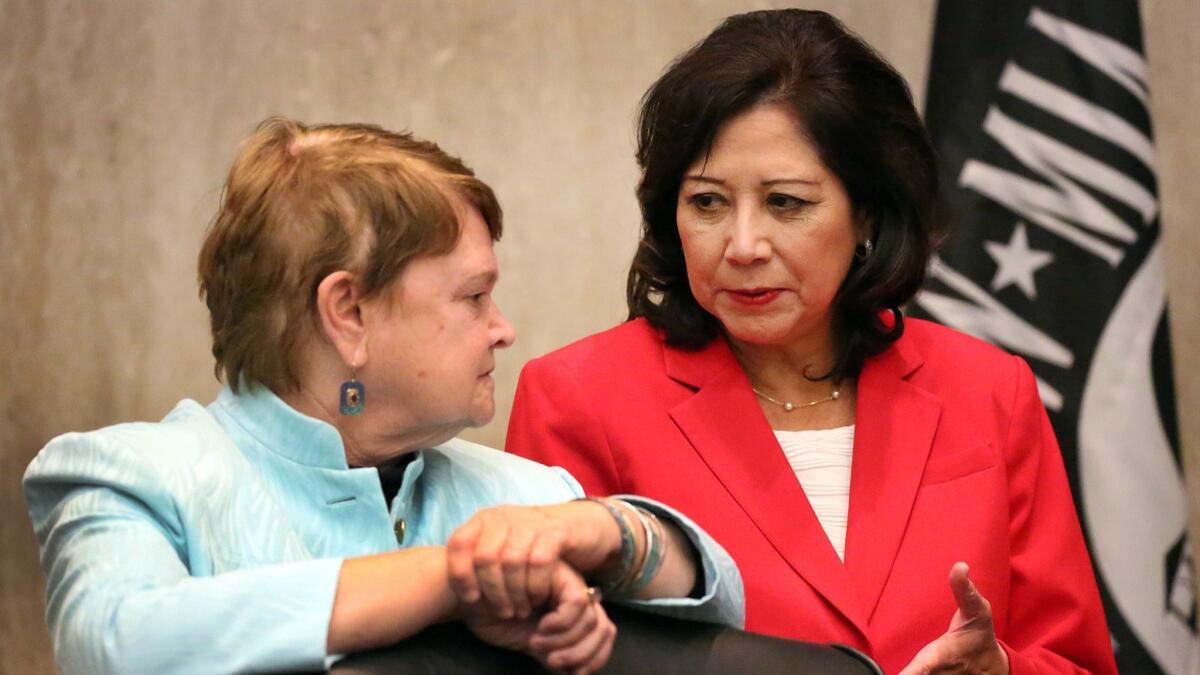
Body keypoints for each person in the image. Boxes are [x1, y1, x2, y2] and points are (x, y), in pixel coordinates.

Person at [505, 9, 1116, 675]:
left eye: (786, 203)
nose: (741, 246)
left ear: (868, 217)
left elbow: (1076, 660)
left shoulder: (989, 387)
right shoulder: (577, 397)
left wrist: (1000, 669)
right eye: (707, 203)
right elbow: (540, 660)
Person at [23, 118, 742, 675]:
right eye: (473, 296)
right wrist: (450, 581)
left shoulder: (523, 493)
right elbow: (114, 644)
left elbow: (727, 608)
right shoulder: (129, 475)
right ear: (349, 314)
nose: (503, 329)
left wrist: (611, 533)